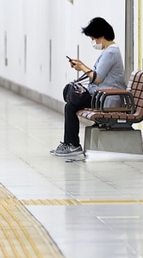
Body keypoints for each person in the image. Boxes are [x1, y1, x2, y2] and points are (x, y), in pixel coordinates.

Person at [50, 17, 127, 157]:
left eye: (93, 38)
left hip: (107, 98)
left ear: (101, 36)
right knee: (71, 104)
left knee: (71, 105)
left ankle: (72, 145)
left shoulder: (111, 52)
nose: (93, 42)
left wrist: (82, 67)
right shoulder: (109, 51)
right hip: (102, 96)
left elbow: (97, 77)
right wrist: (81, 66)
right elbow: (97, 75)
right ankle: (71, 143)